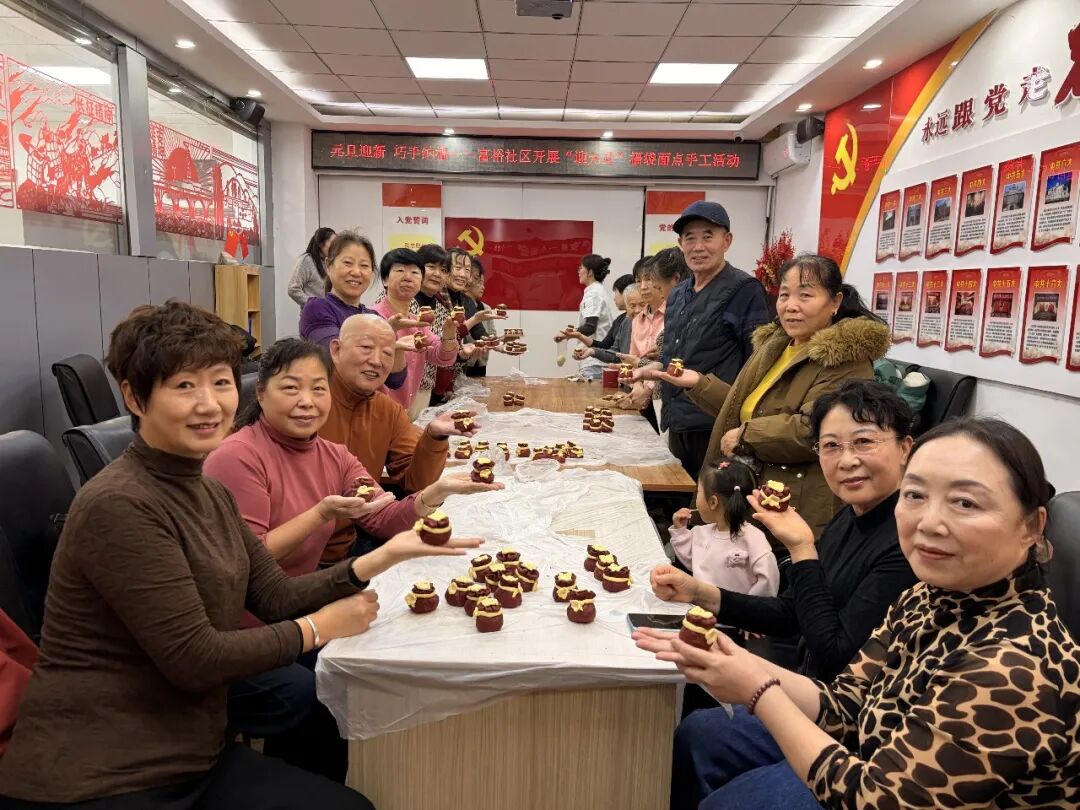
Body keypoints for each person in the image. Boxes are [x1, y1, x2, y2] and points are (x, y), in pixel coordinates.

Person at [0, 302, 475, 809]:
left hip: (188, 746)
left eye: (221, 383)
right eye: (185, 386)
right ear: (135, 397)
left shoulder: (205, 489)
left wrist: (383, 556)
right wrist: (319, 627)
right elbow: (195, 657)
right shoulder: (120, 503)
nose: (209, 405)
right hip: (105, 770)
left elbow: (273, 594)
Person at [638, 417, 1079, 809]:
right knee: (701, 735)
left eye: (965, 503)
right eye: (916, 495)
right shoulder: (925, 595)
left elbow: (874, 799)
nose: (929, 522)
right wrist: (736, 659)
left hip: (875, 788)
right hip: (871, 747)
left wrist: (759, 689)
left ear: (1031, 526)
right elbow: (847, 701)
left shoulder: (1013, 667)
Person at [203, 337, 498, 781]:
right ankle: (308, 783)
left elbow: (383, 517)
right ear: (260, 394)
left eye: (318, 389)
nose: (307, 401)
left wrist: (435, 493)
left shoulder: (333, 454)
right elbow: (247, 561)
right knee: (334, 688)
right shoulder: (237, 455)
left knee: (389, 656)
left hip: (297, 602)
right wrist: (320, 513)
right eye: (291, 388)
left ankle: (388, 776)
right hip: (244, 630)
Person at [648, 381, 917, 688]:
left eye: (864, 441)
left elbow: (833, 655)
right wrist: (696, 591)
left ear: (905, 448)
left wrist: (802, 550)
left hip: (839, 704)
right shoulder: (850, 516)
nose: (847, 460)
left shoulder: (910, 544)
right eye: (831, 446)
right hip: (807, 681)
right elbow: (792, 612)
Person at [648, 254, 890, 537]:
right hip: (748, 494)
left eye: (805, 295)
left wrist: (746, 435)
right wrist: (698, 383)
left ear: (835, 302)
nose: (791, 306)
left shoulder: (847, 360)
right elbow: (746, 409)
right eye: (784, 295)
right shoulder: (777, 346)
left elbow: (816, 429)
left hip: (789, 502)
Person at [320, 313, 478, 565]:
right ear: (336, 350)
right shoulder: (309, 405)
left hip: (352, 540)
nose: (376, 361)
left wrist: (434, 437)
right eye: (366, 348)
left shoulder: (388, 410)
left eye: (387, 353)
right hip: (302, 552)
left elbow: (415, 482)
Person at [634, 202, 771, 479]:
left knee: (712, 500)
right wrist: (653, 371)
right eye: (690, 238)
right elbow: (675, 354)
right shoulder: (677, 293)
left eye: (708, 236)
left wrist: (745, 428)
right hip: (677, 420)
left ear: (727, 240)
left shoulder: (744, 290)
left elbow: (758, 365)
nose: (698, 247)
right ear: (680, 244)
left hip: (716, 425)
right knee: (678, 496)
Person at [298, 229, 408, 390]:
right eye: (348, 263)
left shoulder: (374, 317)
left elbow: (395, 380)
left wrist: (395, 342)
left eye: (364, 266)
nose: (356, 272)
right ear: (328, 266)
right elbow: (336, 361)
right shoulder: (318, 308)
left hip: (367, 404)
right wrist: (382, 345)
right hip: (331, 402)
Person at [670, 458, 777, 598]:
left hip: (739, 611)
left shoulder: (754, 539)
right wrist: (680, 531)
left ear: (713, 502)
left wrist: (746, 608)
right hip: (702, 608)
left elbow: (768, 583)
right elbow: (693, 560)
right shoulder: (700, 533)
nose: (697, 498)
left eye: (699, 492)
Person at [371, 248, 459, 413]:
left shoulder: (417, 322)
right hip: (377, 410)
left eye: (415, 272)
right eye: (400, 271)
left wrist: (448, 334)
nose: (408, 277)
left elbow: (441, 357)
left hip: (407, 406)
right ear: (385, 280)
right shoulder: (372, 317)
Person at [621, 248, 691, 426]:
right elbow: (633, 359)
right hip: (642, 395)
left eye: (649, 280)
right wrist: (637, 386)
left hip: (668, 395)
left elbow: (670, 361)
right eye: (639, 281)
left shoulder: (676, 314)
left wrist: (647, 389)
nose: (644, 286)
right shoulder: (637, 320)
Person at [553, 253, 614, 380]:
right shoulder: (597, 290)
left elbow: (590, 327)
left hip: (594, 361)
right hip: (597, 359)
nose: (578, 271)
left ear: (590, 272)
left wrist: (566, 334)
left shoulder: (593, 293)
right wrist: (569, 335)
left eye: (581, 268)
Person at [413, 243, 455, 418]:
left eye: (443, 270)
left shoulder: (443, 310)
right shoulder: (402, 299)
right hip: (395, 385)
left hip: (425, 388)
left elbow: (442, 353)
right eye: (431, 267)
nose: (437, 274)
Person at [571, 273, 639, 366]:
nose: (638, 310)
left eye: (615, 293)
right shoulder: (623, 321)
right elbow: (611, 350)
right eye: (633, 305)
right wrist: (590, 349)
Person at [287, 226, 335, 308]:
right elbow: (293, 289)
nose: (335, 247)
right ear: (321, 244)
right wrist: (314, 305)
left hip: (327, 313)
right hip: (313, 313)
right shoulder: (306, 260)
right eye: (333, 243)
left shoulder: (329, 262)